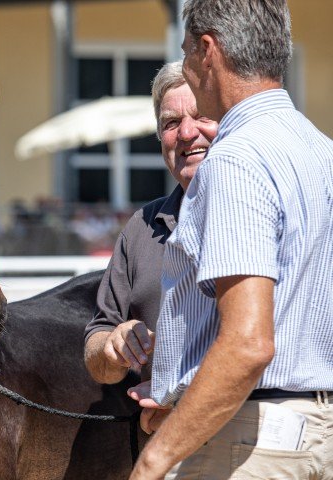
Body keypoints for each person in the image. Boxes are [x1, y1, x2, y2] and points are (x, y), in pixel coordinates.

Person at [128, 1, 333, 479]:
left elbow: (248, 344)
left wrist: (153, 461)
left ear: (207, 50)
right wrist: (185, 398)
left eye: (184, 53)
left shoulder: (235, 159)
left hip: (251, 440)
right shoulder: (322, 150)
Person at [83, 60, 218, 439]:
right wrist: (111, 349)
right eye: (171, 123)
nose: (187, 133)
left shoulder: (259, 211)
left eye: (202, 116)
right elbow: (97, 340)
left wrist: (184, 398)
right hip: (162, 444)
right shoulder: (141, 227)